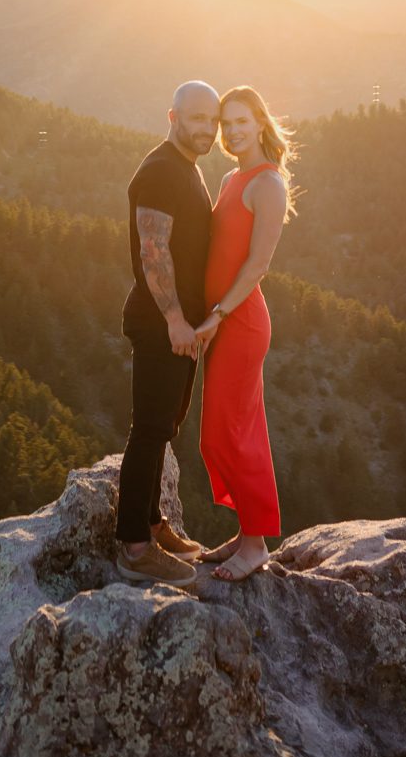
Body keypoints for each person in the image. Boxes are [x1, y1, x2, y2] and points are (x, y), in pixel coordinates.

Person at [114, 78, 221, 586]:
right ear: (173, 117)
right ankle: (134, 548)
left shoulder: (186, 168)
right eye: (195, 117)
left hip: (182, 328)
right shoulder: (160, 170)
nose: (205, 127)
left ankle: (153, 523)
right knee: (149, 429)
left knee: (164, 427)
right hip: (163, 325)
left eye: (212, 119)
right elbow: (152, 251)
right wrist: (176, 320)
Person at [194, 84, 294, 581]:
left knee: (231, 433)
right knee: (218, 435)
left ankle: (255, 545)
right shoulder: (232, 177)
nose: (231, 132)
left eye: (240, 122)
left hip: (241, 321)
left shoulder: (267, 185)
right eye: (225, 124)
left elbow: (257, 265)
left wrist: (216, 315)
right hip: (222, 320)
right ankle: (246, 532)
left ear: (259, 121)